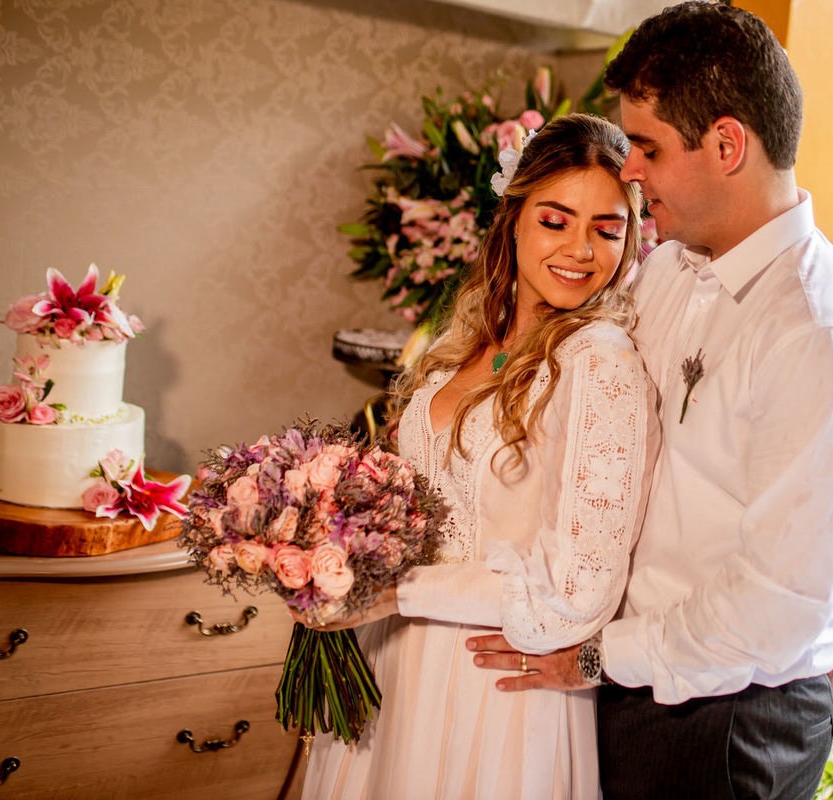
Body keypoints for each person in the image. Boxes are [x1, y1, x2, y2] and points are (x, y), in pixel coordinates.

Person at [467, 4, 833, 799]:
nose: (630, 171)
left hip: (724, 722)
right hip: (627, 683)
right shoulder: (669, 268)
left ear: (727, 145)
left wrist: (595, 657)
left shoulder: (818, 335)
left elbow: (776, 607)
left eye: (649, 147)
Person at [300, 113, 660, 799]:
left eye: (606, 230)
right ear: (513, 220)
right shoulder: (470, 339)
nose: (580, 250)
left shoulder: (599, 364)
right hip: (392, 665)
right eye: (555, 221)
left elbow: (576, 591)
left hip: (492, 689)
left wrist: (393, 593)